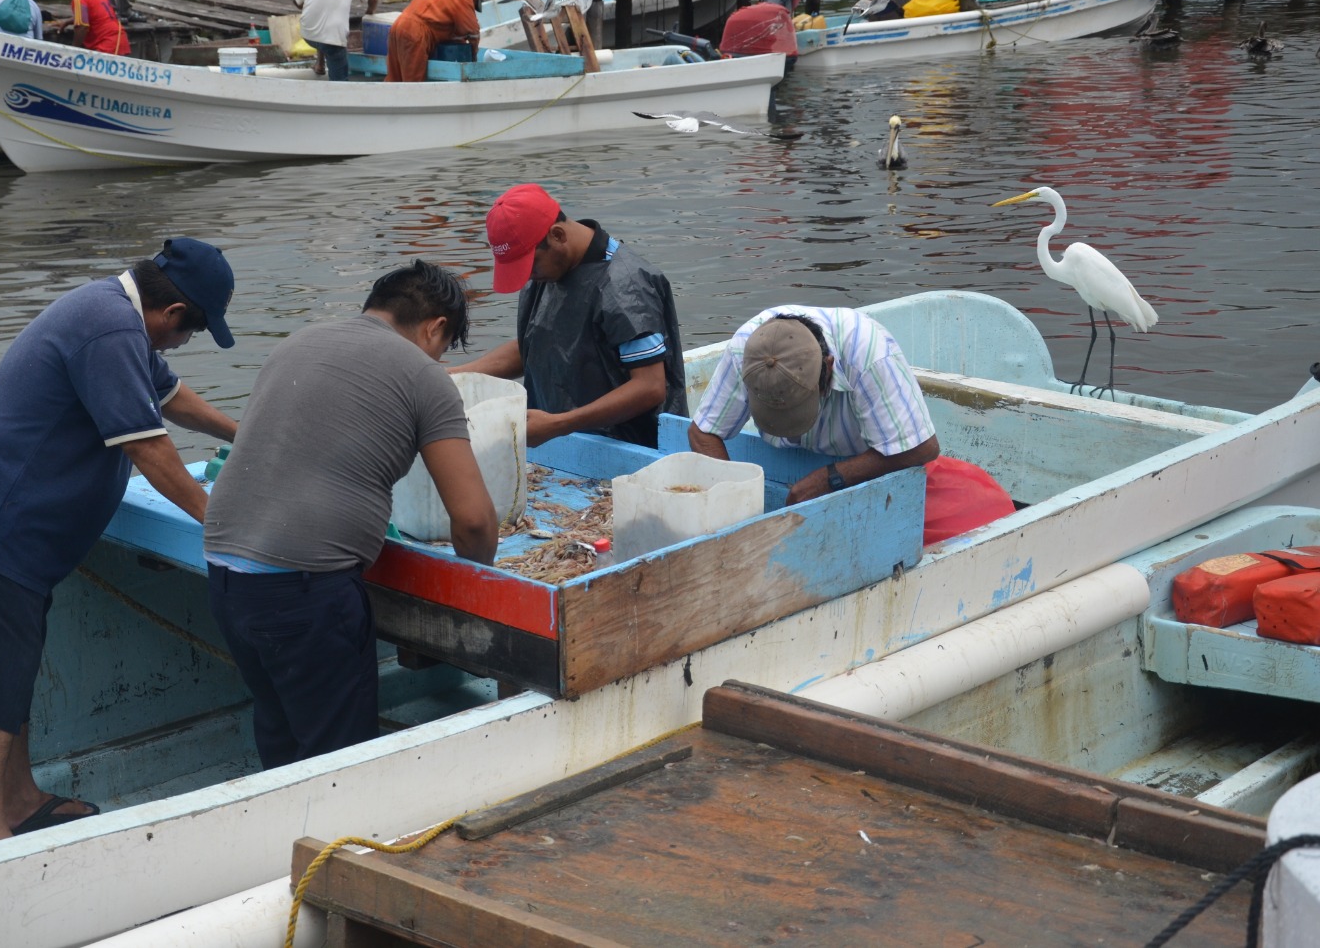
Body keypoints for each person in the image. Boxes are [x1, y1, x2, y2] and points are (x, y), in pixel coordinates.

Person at [0, 236, 240, 848]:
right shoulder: (109, 329)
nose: (182, 345)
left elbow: (171, 398)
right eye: (191, 332)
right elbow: (148, 445)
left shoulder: (115, 314)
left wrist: (249, 432)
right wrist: (220, 519)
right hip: (4, 524)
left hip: (25, 531)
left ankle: (18, 799)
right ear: (173, 314)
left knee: (13, 666)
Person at [202, 260, 497, 769]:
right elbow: (472, 521)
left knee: (281, 734)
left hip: (225, 573)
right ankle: (332, 844)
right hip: (305, 591)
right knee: (337, 761)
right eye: (445, 347)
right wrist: (480, 586)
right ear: (436, 327)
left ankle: (285, 835)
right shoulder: (425, 377)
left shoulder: (297, 343)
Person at [450, 184, 687, 449]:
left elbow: (649, 387)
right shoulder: (547, 270)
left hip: (626, 447)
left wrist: (560, 424)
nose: (527, 277)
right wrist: (457, 375)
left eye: (529, 266)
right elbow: (534, 344)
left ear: (558, 235)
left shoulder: (626, 285)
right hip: (555, 437)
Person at [687, 306, 939, 504]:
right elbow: (702, 433)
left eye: (796, 408)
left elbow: (923, 448)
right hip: (787, 463)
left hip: (867, 467)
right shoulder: (745, 350)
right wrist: (735, 499)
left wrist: (830, 478)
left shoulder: (869, 354)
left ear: (827, 370)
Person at [385, 0, 483, 83]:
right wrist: (473, 58)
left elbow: (451, 30)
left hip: (397, 26)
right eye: (474, 4)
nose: (472, 8)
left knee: (394, 80)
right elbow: (473, 32)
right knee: (413, 84)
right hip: (415, 33)